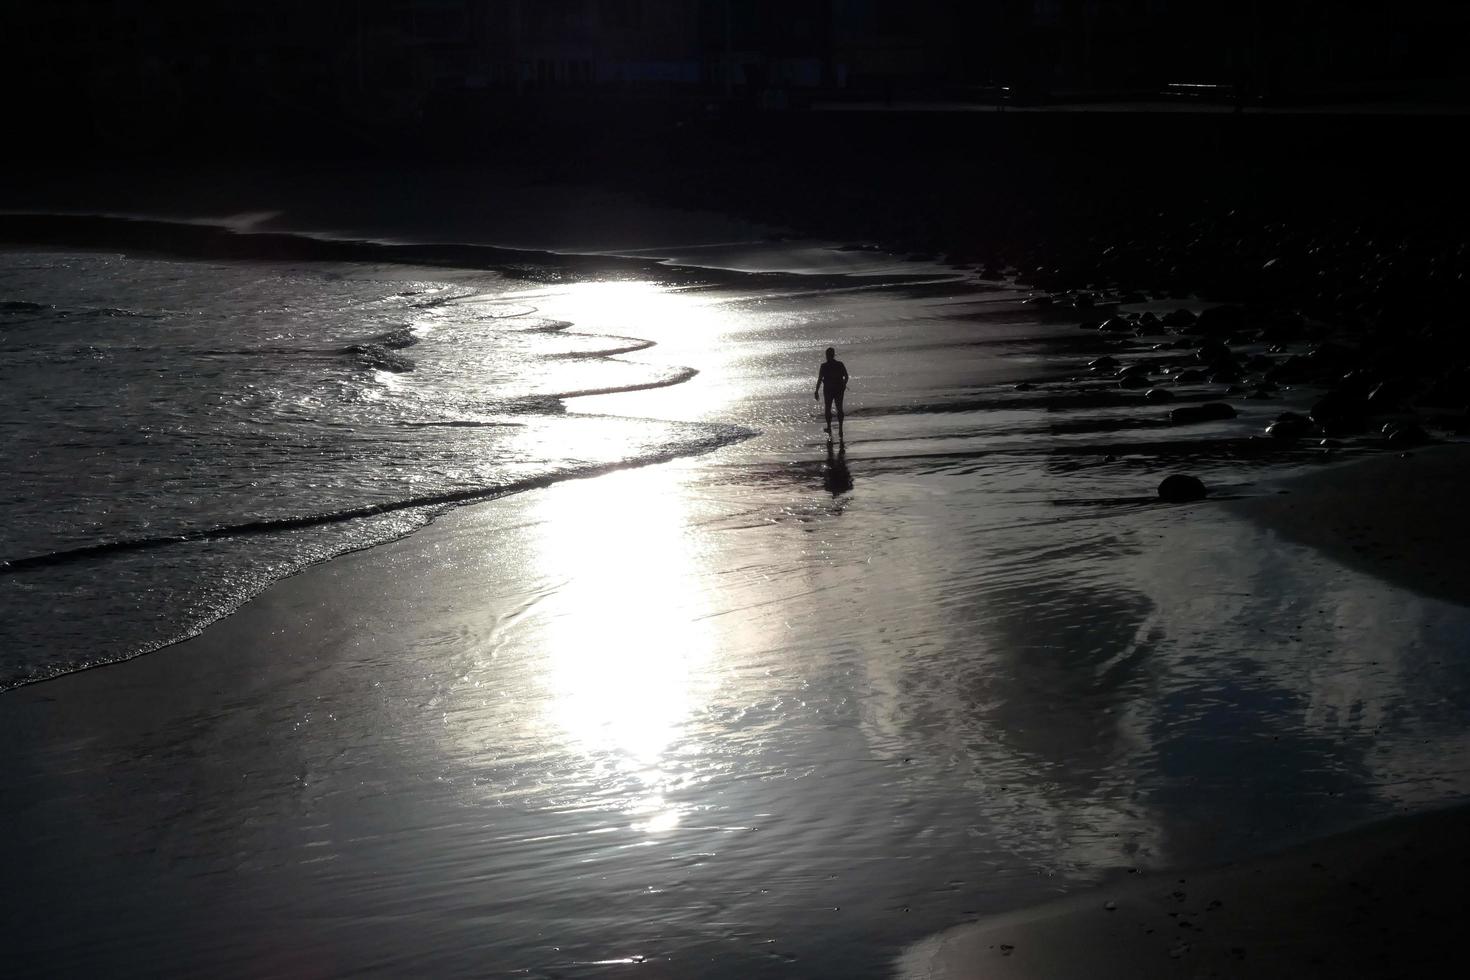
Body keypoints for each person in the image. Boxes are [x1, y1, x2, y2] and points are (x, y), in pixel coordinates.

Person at [813, 347, 848, 436]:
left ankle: (829, 427)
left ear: (827, 355)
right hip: (839, 388)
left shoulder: (824, 366)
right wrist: (844, 384)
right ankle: (840, 429)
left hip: (828, 389)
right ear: (833, 355)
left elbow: (820, 379)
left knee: (828, 408)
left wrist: (816, 390)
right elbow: (846, 376)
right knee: (839, 408)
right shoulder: (840, 364)